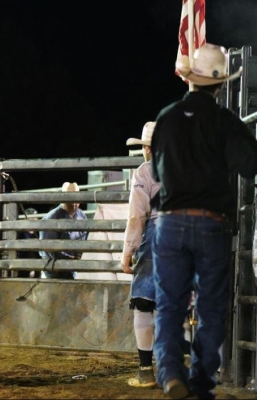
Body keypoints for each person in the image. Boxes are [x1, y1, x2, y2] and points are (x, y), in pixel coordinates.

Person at [151, 44, 257, 399]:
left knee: (170, 303)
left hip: (170, 222)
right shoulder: (225, 121)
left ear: (190, 79)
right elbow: (250, 165)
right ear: (220, 85)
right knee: (211, 307)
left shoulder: (166, 117)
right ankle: (201, 382)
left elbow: (156, 171)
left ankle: (169, 373)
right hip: (212, 223)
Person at [121, 121, 192, 388]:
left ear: (148, 148)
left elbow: (137, 215)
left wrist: (128, 251)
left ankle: (145, 371)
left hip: (158, 235)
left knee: (144, 301)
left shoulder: (145, 172)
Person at [39, 182, 88, 279]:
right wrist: (70, 259)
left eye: (77, 196)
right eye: (70, 197)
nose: (74, 201)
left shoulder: (81, 215)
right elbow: (48, 250)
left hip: (75, 271)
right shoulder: (51, 218)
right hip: (55, 274)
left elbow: (86, 239)